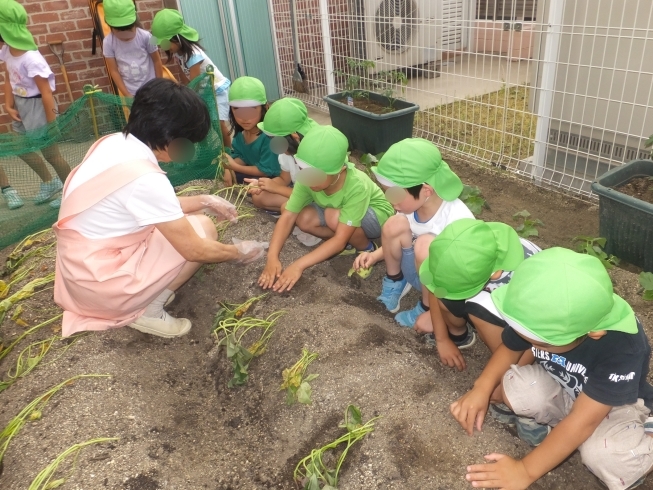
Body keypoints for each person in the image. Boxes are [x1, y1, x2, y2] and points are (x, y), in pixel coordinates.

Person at [53, 79, 267, 338]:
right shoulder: (145, 178)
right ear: (170, 138)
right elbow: (193, 248)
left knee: (196, 220)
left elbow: (142, 206)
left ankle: (144, 294)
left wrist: (204, 200)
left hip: (79, 274)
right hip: (103, 286)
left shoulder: (113, 144)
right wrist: (238, 252)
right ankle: (147, 310)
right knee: (202, 229)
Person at [451, 247, 653, 490]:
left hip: (616, 407)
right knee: (516, 384)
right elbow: (510, 347)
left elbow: (583, 420)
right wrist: (481, 388)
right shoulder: (544, 306)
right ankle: (558, 436)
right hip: (568, 390)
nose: (528, 342)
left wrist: (524, 470)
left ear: (593, 334)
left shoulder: (623, 347)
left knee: (604, 457)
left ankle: (644, 440)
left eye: (540, 341)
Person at [259, 125, 394, 292]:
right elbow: (288, 216)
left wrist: (298, 266)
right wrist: (272, 258)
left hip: (376, 217)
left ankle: (366, 248)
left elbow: (338, 240)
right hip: (339, 212)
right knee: (303, 218)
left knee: (333, 218)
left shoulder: (356, 185)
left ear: (341, 170)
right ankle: (349, 242)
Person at [353, 138, 474, 317]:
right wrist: (374, 255)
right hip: (415, 270)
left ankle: (426, 308)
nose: (390, 200)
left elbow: (463, 272)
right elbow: (395, 238)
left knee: (425, 244)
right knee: (393, 224)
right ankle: (396, 280)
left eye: (395, 194)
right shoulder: (407, 207)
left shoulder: (457, 219)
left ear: (426, 190)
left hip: (438, 285)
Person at [418, 219, 540, 371]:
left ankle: (505, 362)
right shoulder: (471, 243)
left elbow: (535, 337)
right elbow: (437, 288)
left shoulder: (525, 282)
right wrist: (442, 338)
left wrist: (507, 373)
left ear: (494, 274)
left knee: (479, 312)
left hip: (522, 318)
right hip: (490, 292)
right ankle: (459, 336)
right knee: (446, 298)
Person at [0, 1, 71, 209]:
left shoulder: (32, 59)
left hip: (38, 106)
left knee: (51, 154)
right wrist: (8, 104)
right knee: (19, 146)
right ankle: (50, 183)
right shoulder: (7, 51)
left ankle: (71, 191)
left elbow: (47, 92)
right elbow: (8, 78)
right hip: (21, 106)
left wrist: (51, 123)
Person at [150, 8, 232, 148]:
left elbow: (195, 82)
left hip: (217, 90)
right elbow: (185, 77)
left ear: (177, 39)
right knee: (208, 123)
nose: (162, 47)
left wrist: (187, 99)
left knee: (218, 123)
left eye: (164, 43)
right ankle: (215, 150)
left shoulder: (194, 55)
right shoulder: (178, 53)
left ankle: (229, 150)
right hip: (204, 91)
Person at [246, 97, 318, 213]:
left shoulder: (315, 153)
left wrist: (276, 188)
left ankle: (305, 213)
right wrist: (262, 184)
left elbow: (311, 194)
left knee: (287, 208)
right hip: (300, 194)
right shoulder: (287, 150)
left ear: (294, 136)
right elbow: (284, 178)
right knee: (259, 197)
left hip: (318, 198)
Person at [221, 76, 280, 187]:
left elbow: (266, 171)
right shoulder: (241, 133)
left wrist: (233, 167)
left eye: (251, 109)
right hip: (254, 173)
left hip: (274, 179)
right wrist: (227, 168)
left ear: (265, 107)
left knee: (257, 195)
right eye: (237, 109)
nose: (244, 117)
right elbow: (242, 157)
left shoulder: (270, 137)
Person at [102, 0, 162, 98]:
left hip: (152, 88)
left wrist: (160, 85)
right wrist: (127, 94)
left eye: (129, 30)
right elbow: (113, 71)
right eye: (119, 31)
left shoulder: (147, 36)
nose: (125, 35)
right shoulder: (108, 42)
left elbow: (157, 60)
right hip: (130, 92)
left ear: (135, 22)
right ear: (110, 26)